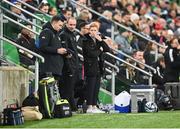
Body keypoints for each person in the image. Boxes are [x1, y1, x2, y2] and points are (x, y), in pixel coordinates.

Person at [82, 22, 110, 113]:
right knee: (90, 87)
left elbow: (107, 49)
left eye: (95, 30)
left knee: (96, 87)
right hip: (90, 67)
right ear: (89, 31)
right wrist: (99, 49)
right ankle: (89, 106)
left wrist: (101, 41)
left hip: (98, 67)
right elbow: (92, 54)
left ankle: (94, 106)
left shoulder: (98, 39)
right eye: (92, 30)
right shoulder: (85, 40)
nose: (93, 32)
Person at [58, 17, 79, 111]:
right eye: (70, 24)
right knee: (66, 88)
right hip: (67, 66)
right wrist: (69, 66)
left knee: (71, 88)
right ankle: (64, 108)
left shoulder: (73, 34)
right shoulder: (64, 35)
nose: (72, 26)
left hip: (73, 64)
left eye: (74, 25)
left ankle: (72, 107)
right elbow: (65, 51)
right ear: (66, 24)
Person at [39, 15, 67, 82]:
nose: (61, 28)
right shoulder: (46, 32)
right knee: (48, 90)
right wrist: (57, 50)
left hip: (56, 68)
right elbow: (43, 47)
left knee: (53, 90)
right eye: (60, 25)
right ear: (54, 23)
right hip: (49, 68)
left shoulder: (56, 34)